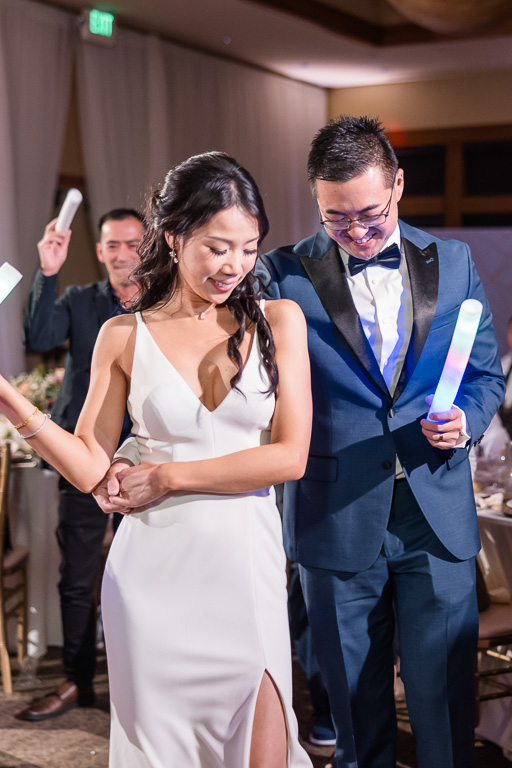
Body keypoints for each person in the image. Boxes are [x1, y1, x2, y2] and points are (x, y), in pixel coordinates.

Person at [0, 152, 313, 768]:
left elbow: (290, 456)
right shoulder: (123, 334)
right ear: (173, 236)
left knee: (265, 745)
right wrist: (10, 401)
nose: (235, 266)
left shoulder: (281, 321)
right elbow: (93, 467)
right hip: (151, 578)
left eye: (250, 248)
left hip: (243, 563)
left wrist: (168, 475)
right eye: (218, 247)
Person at [258, 115, 504, 768]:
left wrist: (467, 423)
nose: (358, 233)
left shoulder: (453, 262)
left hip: (437, 516)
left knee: (444, 715)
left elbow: (483, 372)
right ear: (315, 199)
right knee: (355, 719)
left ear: (398, 184)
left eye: (370, 213)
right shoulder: (283, 274)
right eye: (337, 219)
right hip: (335, 519)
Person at [18, 208, 144, 720]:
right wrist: (47, 272)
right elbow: (39, 338)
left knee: (147, 573)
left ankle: (140, 681)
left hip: (149, 454)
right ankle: (76, 682)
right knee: (77, 576)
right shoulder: (80, 301)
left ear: (149, 244)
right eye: (113, 245)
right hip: (85, 454)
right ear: (100, 251)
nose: (123, 254)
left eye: (133, 243)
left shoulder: (165, 302)